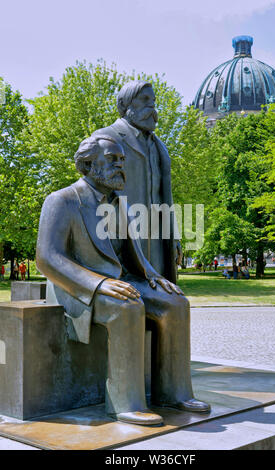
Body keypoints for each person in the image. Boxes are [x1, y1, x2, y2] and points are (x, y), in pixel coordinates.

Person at [36, 135, 210, 427]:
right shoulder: (62, 201)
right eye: (113, 159)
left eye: (122, 160)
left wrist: (153, 277)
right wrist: (98, 284)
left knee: (176, 303)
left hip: (120, 281)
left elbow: (131, 254)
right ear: (89, 165)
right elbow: (48, 258)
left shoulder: (121, 204)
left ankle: (174, 392)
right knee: (126, 307)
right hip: (75, 287)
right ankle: (125, 403)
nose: (121, 165)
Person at [91, 81, 178, 283]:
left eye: (154, 101)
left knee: (160, 298)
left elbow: (166, 196)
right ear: (125, 105)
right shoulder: (106, 138)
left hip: (157, 239)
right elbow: (94, 192)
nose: (152, 108)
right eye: (145, 100)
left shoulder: (159, 147)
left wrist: (174, 237)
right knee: (127, 301)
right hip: (121, 239)